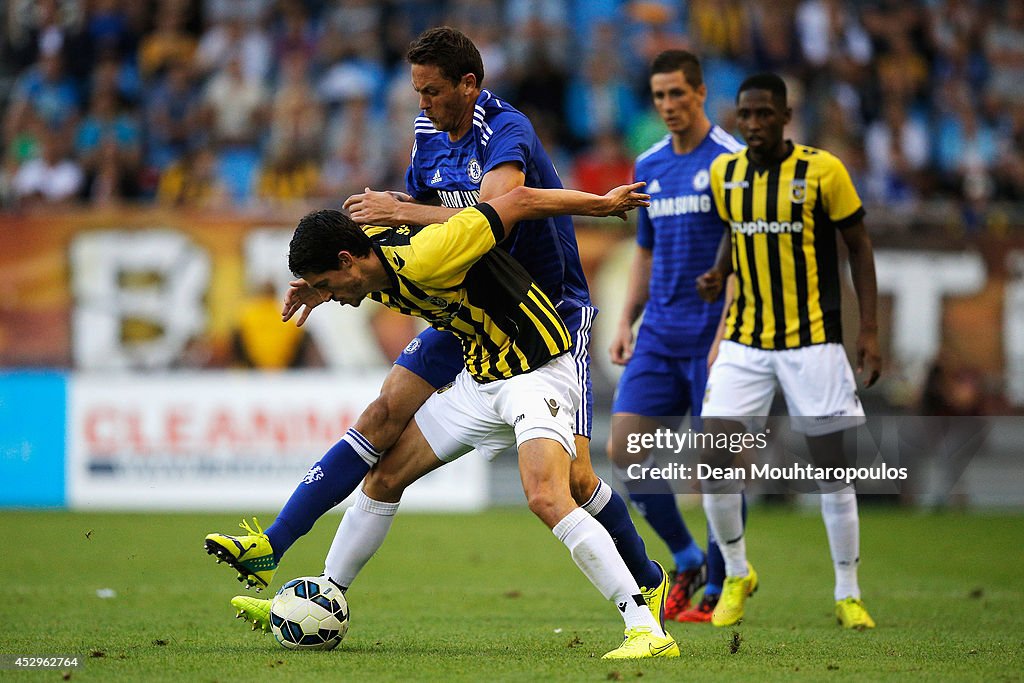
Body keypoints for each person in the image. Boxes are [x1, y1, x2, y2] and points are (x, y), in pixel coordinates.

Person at [204, 27, 673, 657]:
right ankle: (312, 583)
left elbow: (510, 204)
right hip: (475, 333)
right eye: (416, 91)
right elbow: (390, 234)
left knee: (566, 485)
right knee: (383, 451)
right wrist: (322, 286)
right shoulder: (408, 195)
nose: (422, 103)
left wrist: (601, 202)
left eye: (432, 91)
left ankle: (646, 603)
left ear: (469, 85)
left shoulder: (500, 137)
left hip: (544, 321)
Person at [694, 72, 882, 630]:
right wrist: (720, 271)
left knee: (833, 472)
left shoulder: (823, 171)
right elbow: (737, 230)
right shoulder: (725, 173)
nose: (752, 124)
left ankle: (848, 592)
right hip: (745, 340)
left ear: (784, 116)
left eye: (763, 114)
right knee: (714, 462)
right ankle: (734, 573)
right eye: (744, 115)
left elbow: (859, 247)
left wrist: (867, 330)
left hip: (815, 343)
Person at [607, 49, 745, 623]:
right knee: (624, 449)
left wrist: (729, 332)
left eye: (677, 94)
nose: (667, 105)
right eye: (659, 95)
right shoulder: (651, 163)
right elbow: (645, 248)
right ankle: (686, 559)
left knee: (719, 464)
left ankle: (720, 582)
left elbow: (745, 252)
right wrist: (626, 319)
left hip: (719, 336)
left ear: (701, 92)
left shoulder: (734, 162)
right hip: (660, 334)